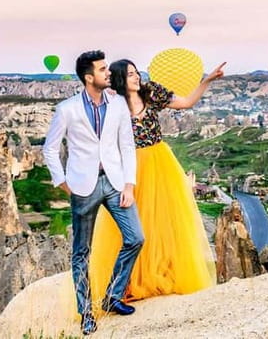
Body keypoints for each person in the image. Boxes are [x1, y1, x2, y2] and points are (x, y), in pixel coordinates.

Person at [89, 59, 226, 304]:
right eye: (130, 74)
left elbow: (185, 103)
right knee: (133, 224)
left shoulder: (151, 93)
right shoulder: (113, 106)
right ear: (120, 79)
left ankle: (164, 273)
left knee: (164, 220)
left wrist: (206, 81)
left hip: (160, 163)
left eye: (136, 72)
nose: (136, 77)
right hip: (131, 168)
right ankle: (129, 284)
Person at [43, 50, 144, 336]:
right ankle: (86, 312)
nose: (108, 73)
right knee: (81, 253)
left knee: (136, 237)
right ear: (89, 78)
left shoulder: (118, 105)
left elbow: (127, 145)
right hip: (82, 187)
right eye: (102, 70)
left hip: (114, 182)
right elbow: (50, 148)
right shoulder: (67, 109)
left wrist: (129, 184)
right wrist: (61, 181)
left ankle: (113, 296)